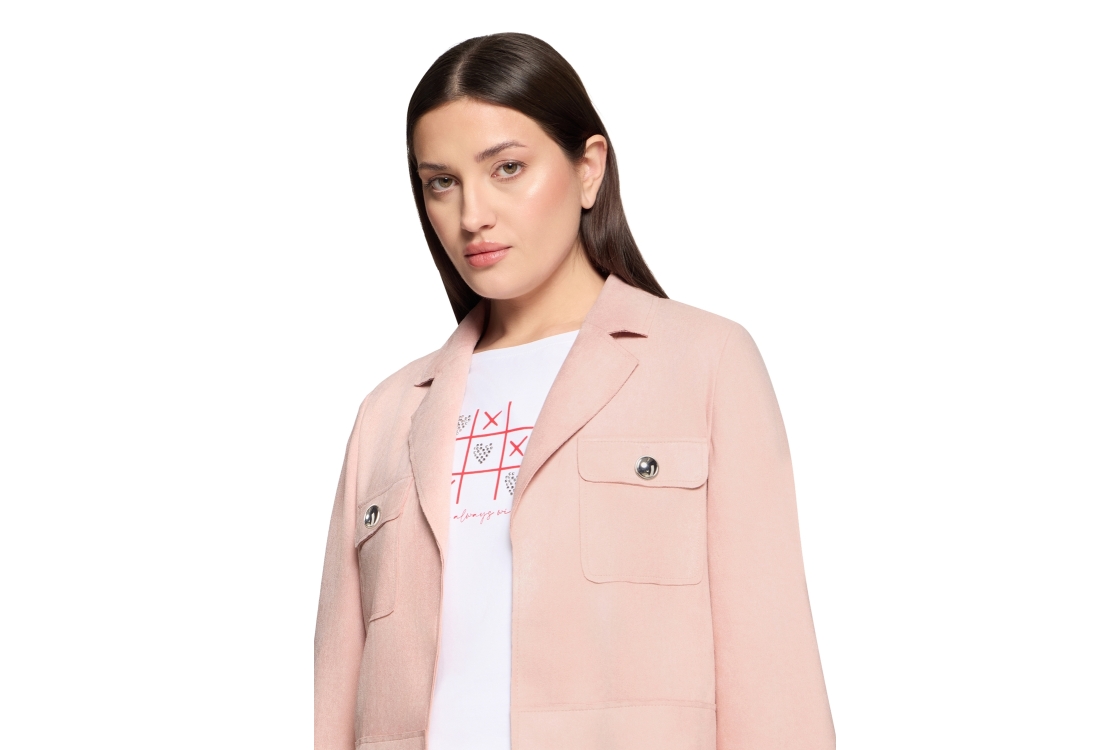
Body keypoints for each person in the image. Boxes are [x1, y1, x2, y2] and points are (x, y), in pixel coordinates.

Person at [315, 32, 834, 750]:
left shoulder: (705, 364)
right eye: (441, 182)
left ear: (588, 169)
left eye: (507, 168)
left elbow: (774, 676)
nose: (472, 214)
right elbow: (338, 700)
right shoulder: (388, 413)